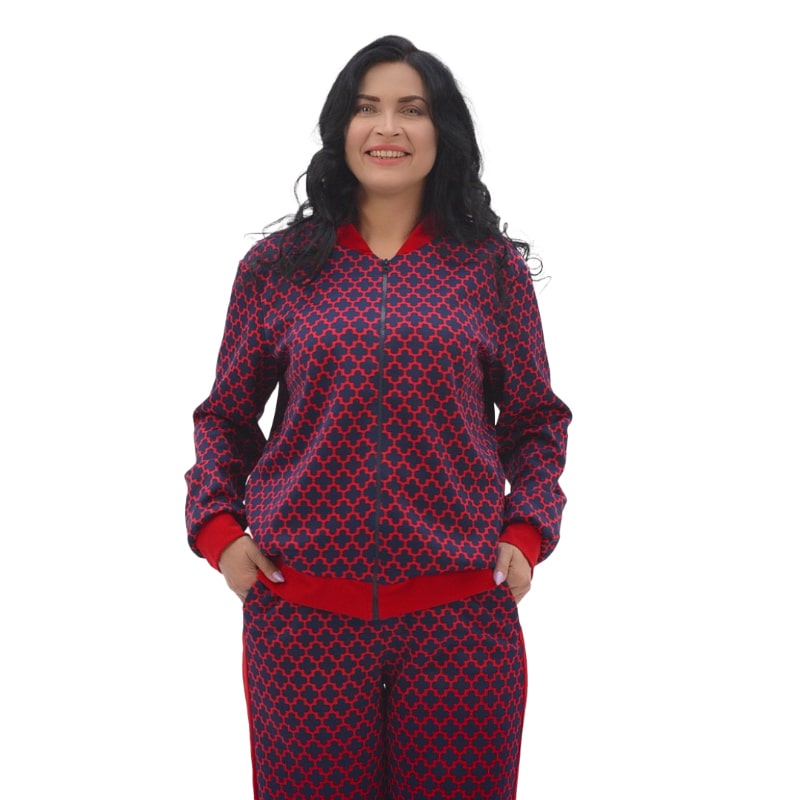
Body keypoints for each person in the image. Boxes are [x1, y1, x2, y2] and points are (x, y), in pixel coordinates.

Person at [185, 34, 571, 800]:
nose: (387, 127)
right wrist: (219, 531)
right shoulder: (276, 269)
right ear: (342, 128)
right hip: (303, 620)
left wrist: (527, 533)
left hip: (461, 620)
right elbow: (225, 417)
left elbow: (535, 422)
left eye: (411, 109)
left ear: (442, 131)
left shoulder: (491, 271)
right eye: (367, 108)